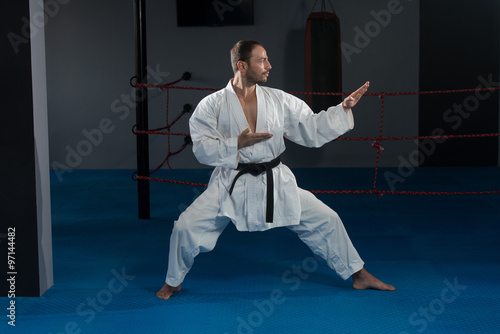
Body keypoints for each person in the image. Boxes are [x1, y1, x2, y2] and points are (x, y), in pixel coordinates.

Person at [157, 40, 394, 299]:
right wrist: (235, 144)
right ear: (242, 65)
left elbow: (311, 127)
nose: (269, 66)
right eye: (262, 60)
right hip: (230, 181)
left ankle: (358, 275)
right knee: (185, 227)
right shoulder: (212, 104)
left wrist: (343, 109)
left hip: (275, 179)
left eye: (267, 59)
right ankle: (173, 280)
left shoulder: (278, 99)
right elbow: (201, 148)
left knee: (327, 219)